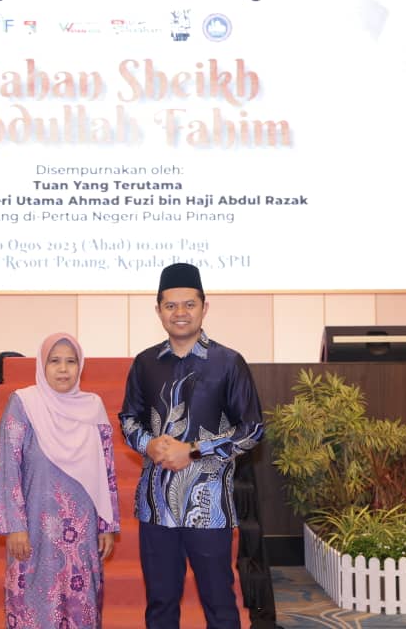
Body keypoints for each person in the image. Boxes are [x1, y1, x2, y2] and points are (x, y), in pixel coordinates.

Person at [119, 262, 265, 629]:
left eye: (189, 304)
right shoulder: (145, 363)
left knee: (219, 603)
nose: (180, 313)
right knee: (160, 604)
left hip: (209, 507)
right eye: (170, 305)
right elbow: (128, 419)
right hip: (156, 507)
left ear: (204, 307)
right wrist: (149, 444)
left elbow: (252, 429)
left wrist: (195, 450)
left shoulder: (228, 363)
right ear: (158, 310)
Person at [0, 332, 120, 629]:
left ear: (80, 366)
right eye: (54, 361)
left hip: (82, 527)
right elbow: (9, 467)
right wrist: (15, 526)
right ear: (42, 364)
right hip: (34, 526)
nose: (63, 369)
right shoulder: (24, 404)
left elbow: (107, 469)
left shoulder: (93, 407)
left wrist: (106, 525)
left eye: (71, 361)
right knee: (34, 604)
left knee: (81, 604)